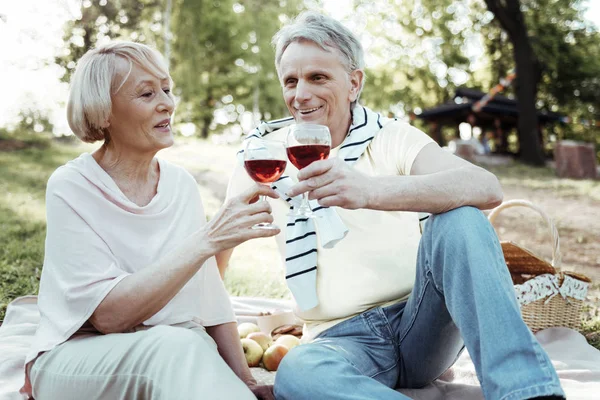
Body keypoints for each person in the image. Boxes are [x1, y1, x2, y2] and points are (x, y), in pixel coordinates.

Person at [224, 11, 566, 400]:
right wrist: (237, 369)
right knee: (297, 373)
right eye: (291, 80)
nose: (301, 94)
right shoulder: (263, 155)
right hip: (341, 342)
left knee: (461, 219)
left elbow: (485, 186)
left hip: (420, 321)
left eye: (317, 77)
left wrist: (371, 192)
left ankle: (527, 393)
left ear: (354, 83)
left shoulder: (391, 137)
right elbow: (216, 257)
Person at [22, 42, 279, 400]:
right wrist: (208, 239)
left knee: (184, 344)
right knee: (175, 345)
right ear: (103, 113)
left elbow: (208, 294)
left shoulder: (180, 184)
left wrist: (246, 383)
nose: (167, 103)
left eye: (167, 89)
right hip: (77, 359)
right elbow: (110, 318)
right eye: (146, 93)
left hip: (175, 350)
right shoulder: (71, 185)